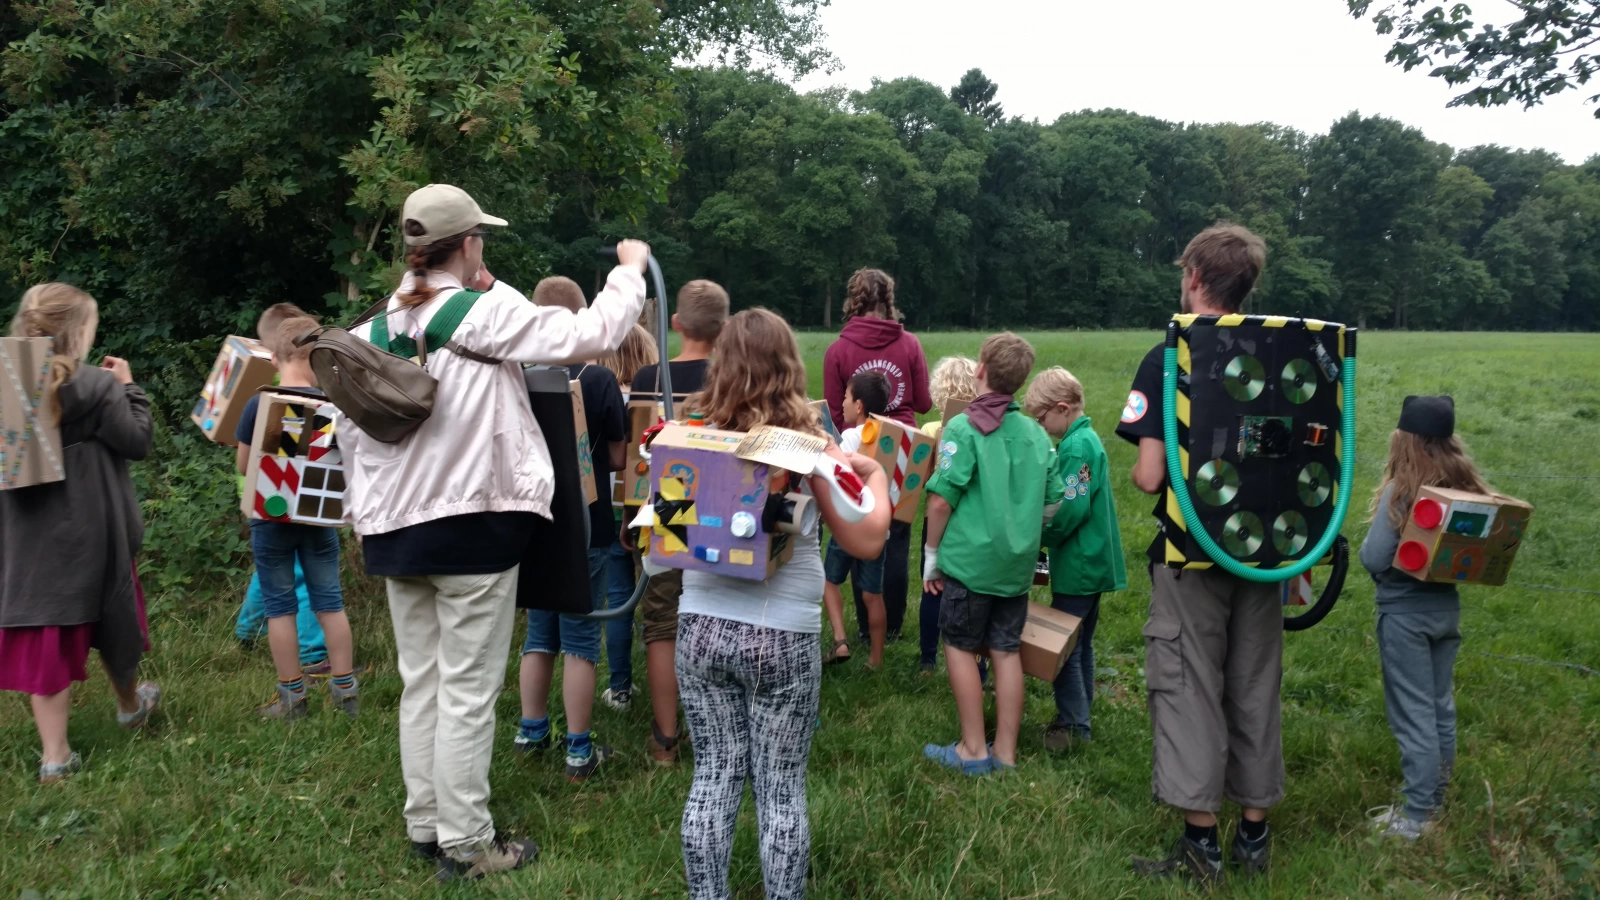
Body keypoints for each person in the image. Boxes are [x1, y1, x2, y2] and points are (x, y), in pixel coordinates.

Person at [338, 183, 648, 881]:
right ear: (469, 243)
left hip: (395, 534)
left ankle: (426, 825)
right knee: (470, 690)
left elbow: (348, 443)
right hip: (473, 527)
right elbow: (589, 336)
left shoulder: (371, 331)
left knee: (423, 683)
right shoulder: (482, 312)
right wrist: (628, 270)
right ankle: (470, 842)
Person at [674, 308, 891, 900]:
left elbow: (661, 540)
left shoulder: (687, 438)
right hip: (782, 636)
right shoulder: (812, 448)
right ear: (790, 368)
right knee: (780, 789)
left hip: (700, 631)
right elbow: (868, 537)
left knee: (713, 778)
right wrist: (871, 475)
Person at [1123, 223, 1277, 886]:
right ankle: (1255, 834)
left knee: (1188, 686)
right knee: (1254, 683)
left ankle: (1200, 846)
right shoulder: (1277, 351)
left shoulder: (1168, 358)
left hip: (1192, 554)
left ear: (1193, 278)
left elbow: (1152, 477)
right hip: (1266, 552)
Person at [0, 283, 159, 783]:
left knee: (51, 636)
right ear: (76, 334)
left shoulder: (10, 387)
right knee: (115, 619)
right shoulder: (99, 385)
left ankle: (55, 756)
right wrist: (131, 387)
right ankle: (131, 704)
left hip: (33, 540)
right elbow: (137, 441)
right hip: (97, 530)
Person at [921, 333, 1063, 775]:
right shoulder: (1036, 434)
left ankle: (972, 748)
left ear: (980, 370)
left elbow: (941, 500)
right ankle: (1006, 752)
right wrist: (1021, 527)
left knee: (960, 646)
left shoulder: (962, 428)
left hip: (969, 562)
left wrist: (931, 554)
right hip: (1017, 566)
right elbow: (1055, 501)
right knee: (1006, 650)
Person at [513, 276, 628, 781]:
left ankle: (530, 730)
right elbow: (620, 456)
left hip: (534, 518)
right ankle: (578, 749)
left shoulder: (515, 374)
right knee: (581, 637)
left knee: (539, 633)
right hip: (589, 521)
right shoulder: (599, 380)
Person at [1360, 395, 1487, 841]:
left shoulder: (1403, 491)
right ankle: (1435, 800)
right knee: (1438, 709)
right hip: (1445, 609)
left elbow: (1375, 557)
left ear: (1404, 440)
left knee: (1412, 713)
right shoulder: (1464, 487)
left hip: (1404, 616)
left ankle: (1416, 816)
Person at [236, 315, 359, 721]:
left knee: (279, 607)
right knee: (330, 602)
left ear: (274, 356)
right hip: (319, 521)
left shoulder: (260, 403)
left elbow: (243, 466)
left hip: (271, 521)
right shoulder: (332, 405)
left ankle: (292, 697)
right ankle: (345, 690)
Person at [626, 279, 728, 764]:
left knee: (663, 619)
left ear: (675, 324)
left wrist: (631, 519)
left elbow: (635, 461)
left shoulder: (650, 376)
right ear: (724, 327)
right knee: (723, 609)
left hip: (670, 499)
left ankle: (666, 737)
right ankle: (719, 728)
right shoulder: (735, 376)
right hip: (725, 506)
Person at [823, 269, 931, 646]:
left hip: (857, 449)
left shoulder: (837, 350)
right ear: (888, 299)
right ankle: (894, 625)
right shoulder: (910, 344)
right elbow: (923, 402)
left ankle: (867, 628)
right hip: (902, 451)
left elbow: (834, 415)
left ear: (853, 299)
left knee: (860, 533)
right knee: (896, 537)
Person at [1023, 367, 1126, 751]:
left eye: (1042, 418)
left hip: (1081, 564)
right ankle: (1081, 712)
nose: (1042, 426)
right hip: (1092, 562)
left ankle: (1073, 725)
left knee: (1064, 645)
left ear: (1062, 409)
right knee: (1081, 641)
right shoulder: (1085, 439)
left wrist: (1039, 538)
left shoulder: (1076, 448)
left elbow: (1070, 508)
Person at [234, 303, 328, 673]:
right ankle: (312, 652)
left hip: (261, 497)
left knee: (270, 568)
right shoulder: (307, 404)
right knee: (302, 577)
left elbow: (245, 457)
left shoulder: (262, 397)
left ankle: (247, 630)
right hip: (292, 497)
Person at [595, 322, 658, 710]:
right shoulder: (655, 400)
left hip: (611, 507)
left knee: (617, 597)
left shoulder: (598, 391)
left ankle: (620, 687)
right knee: (661, 600)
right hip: (656, 508)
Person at [822, 371, 894, 667]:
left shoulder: (849, 438)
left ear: (860, 405)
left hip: (848, 528)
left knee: (828, 581)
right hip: (879, 531)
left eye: (846, 397)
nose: (842, 403)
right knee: (872, 595)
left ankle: (840, 640)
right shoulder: (892, 438)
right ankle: (876, 659)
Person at [918, 356, 978, 674]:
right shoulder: (983, 430)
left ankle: (928, 658)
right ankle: (977, 663)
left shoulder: (931, 428)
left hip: (936, 520)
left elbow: (923, 480)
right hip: (970, 520)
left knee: (932, 589)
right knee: (971, 594)